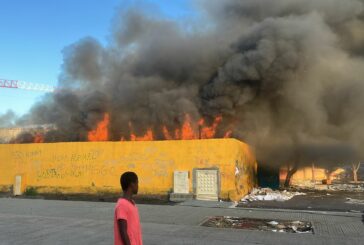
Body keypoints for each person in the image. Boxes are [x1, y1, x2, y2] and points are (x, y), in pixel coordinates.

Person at [114, 172, 143, 245]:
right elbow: (123, 231)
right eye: (137, 183)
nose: (138, 186)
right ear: (132, 184)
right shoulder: (122, 205)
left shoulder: (131, 203)